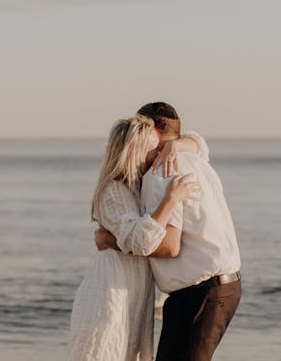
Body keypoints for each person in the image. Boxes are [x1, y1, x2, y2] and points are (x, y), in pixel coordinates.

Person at [96, 102, 241, 361]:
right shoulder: (196, 160)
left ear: (153, 132)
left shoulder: (160, 173)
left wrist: (111, 239)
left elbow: (168, 246)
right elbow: (200, 144)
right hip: (224, 288)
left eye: (142, 129)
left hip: (198, 294)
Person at [68, 115, 205, 361]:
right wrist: (171, 199)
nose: (159, 155)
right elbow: (141, 242)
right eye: (154, 150)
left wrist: (175, 145)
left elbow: (200, 146)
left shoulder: (136, 186)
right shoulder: (113, 191)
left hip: (132, 294)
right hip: (111, 294)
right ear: (135, 152)